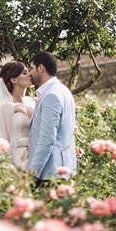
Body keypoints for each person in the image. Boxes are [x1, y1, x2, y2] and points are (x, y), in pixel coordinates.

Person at [26, 51, 77, 185]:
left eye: (31, 68)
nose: (29, 73)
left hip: (50, 173)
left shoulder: (51, 95)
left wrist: (32, 173)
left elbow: (47, 139)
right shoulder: (64, 91)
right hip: (62, 170)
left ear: (40, 68)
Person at [0, 61, 35, 169]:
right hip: (17, 156)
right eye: (24, 73)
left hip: (35, 153)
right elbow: (2, 136)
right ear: (14, 80)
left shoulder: (31, 101)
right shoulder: (5, 106)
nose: (29, 75)